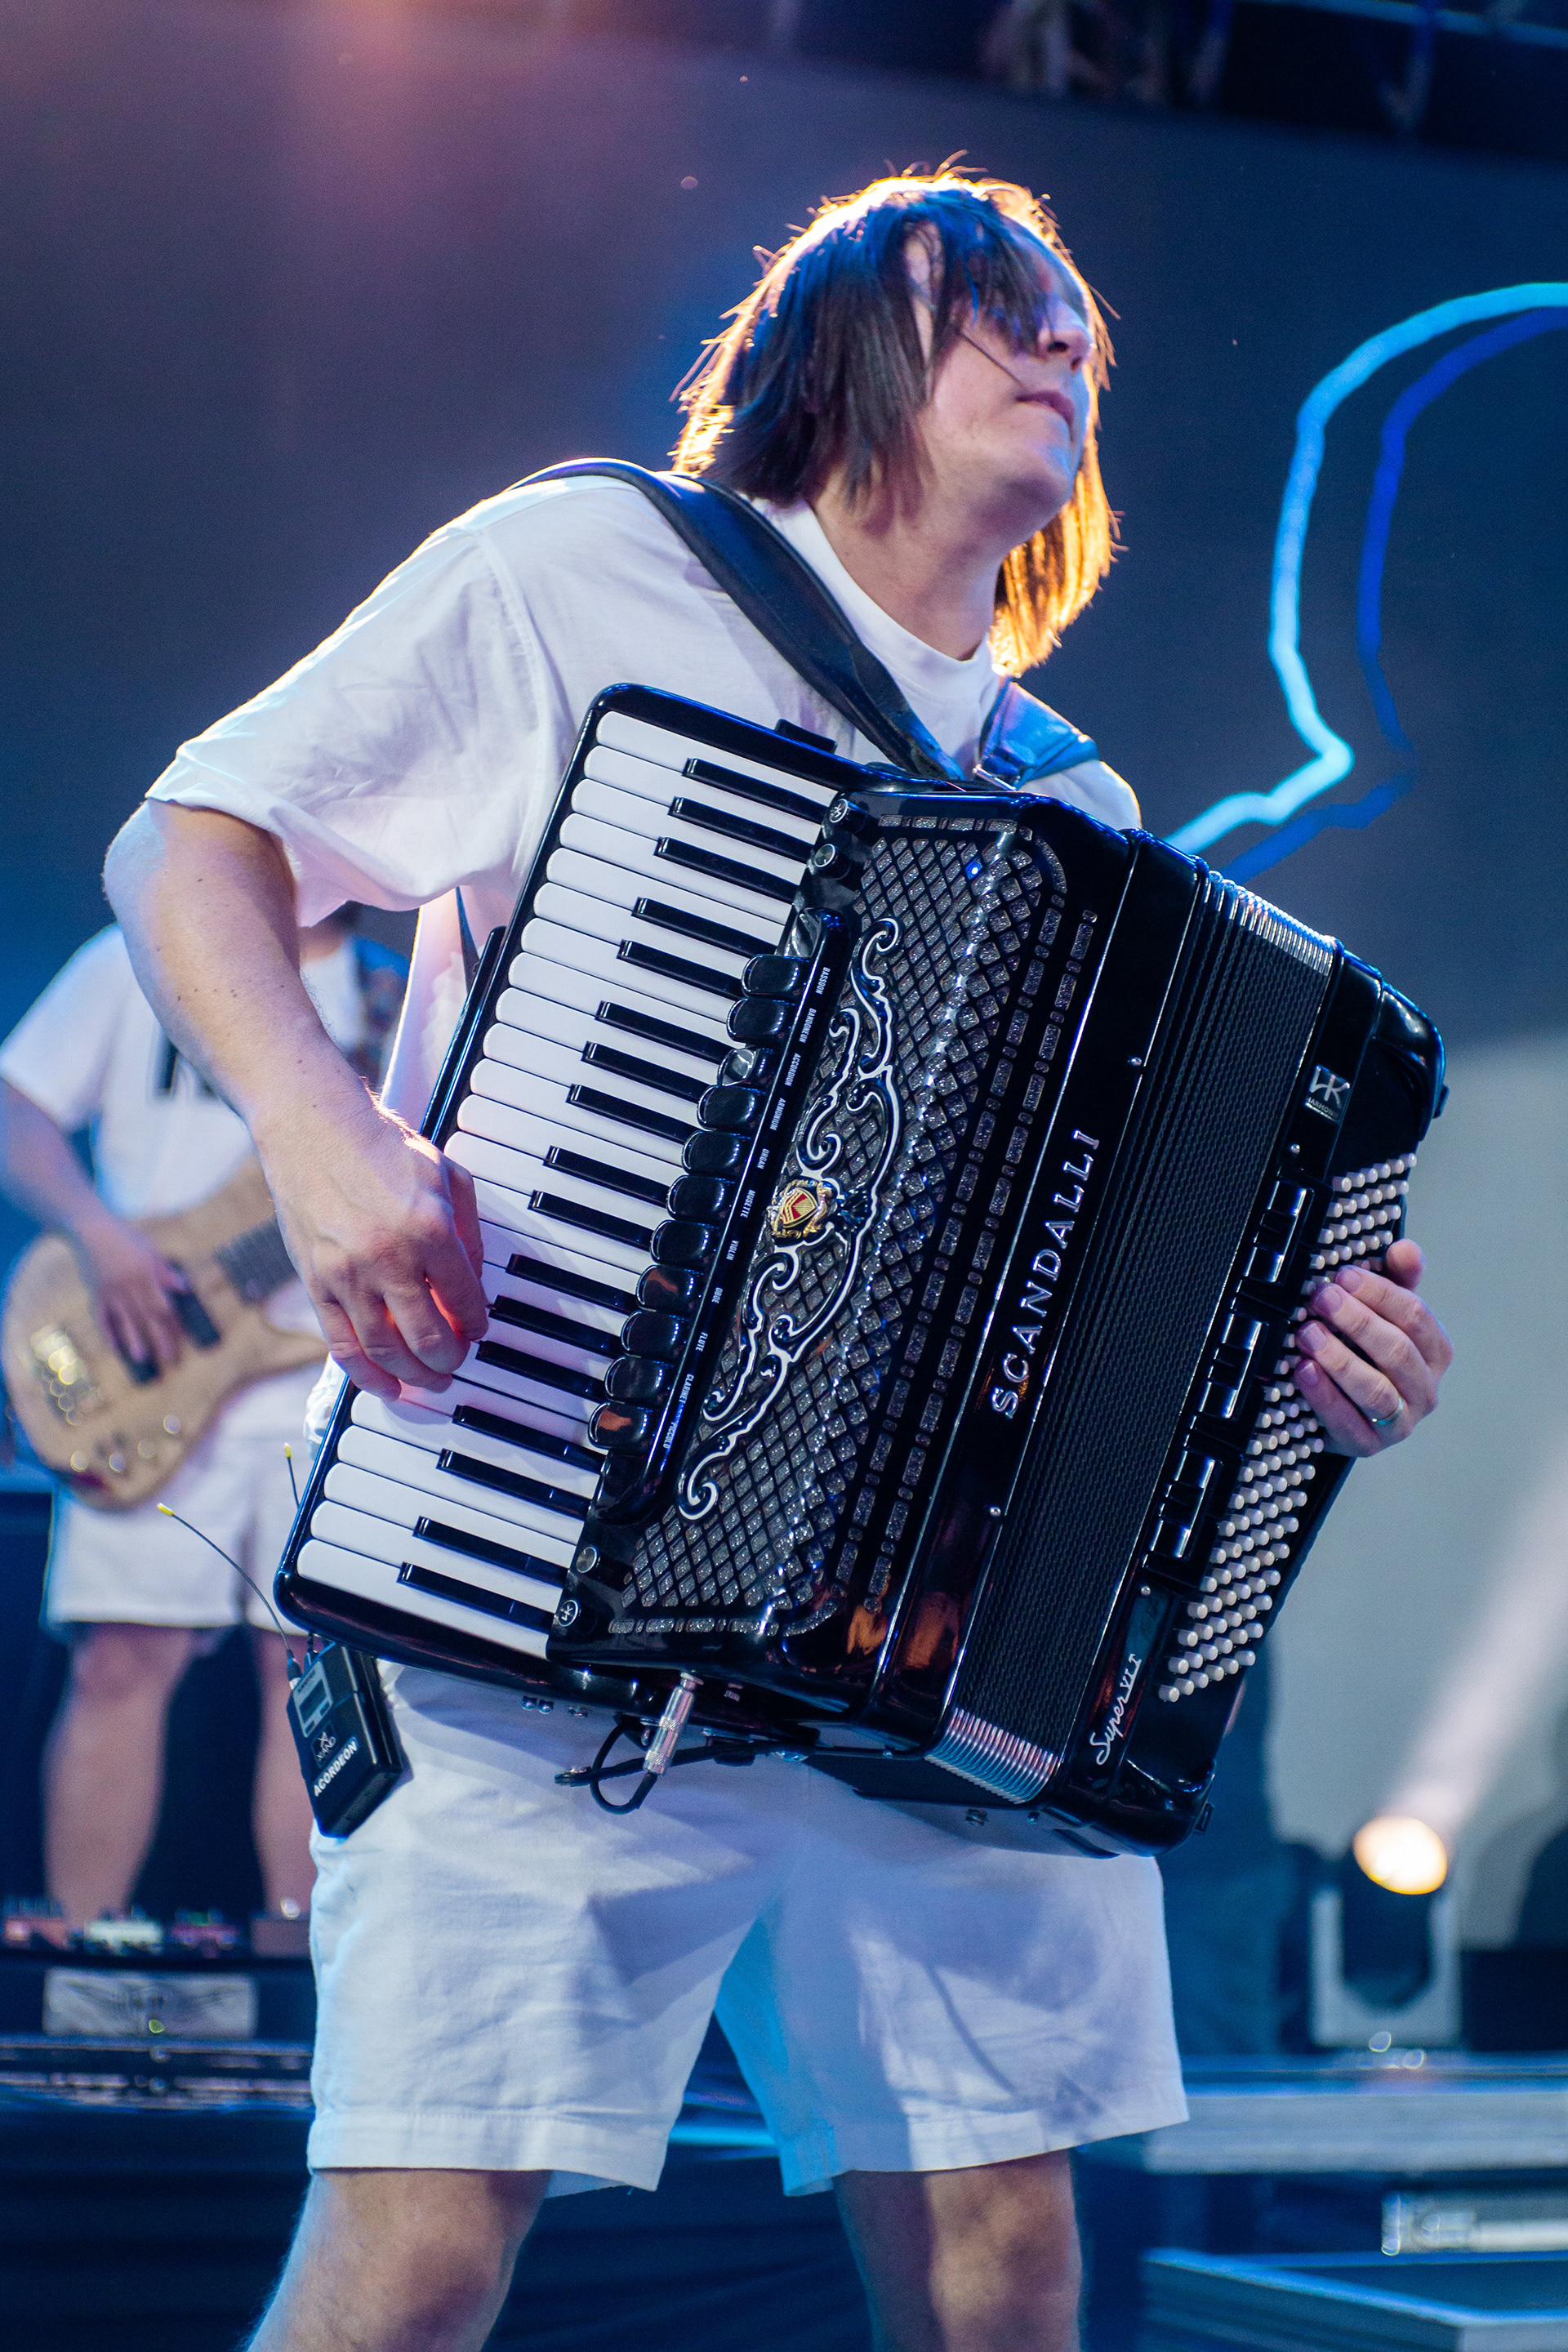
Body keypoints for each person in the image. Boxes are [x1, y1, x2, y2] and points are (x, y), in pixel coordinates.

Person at [101, 172, 1453, 2352]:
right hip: (526, 1591)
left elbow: (1093, 1301)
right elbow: (190, 841)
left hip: (909, 1691)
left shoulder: (1079, 804)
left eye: (1077, 329)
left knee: (1008, 2274)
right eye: (991, 302)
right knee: (420, 2257)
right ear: (831, 347)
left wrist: (1298, 1352)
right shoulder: (592, 569)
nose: (1056, 344)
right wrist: (322, 1133)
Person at [0, 906, 406, 1928]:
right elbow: (16, 1102)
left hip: (327, 1378)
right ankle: (84, 1952)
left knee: (308, 1676)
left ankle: (296, 1958)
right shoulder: (146, 948)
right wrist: (100, 1235)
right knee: (118, 1658)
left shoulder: (395, 1000)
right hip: (143, 1353)